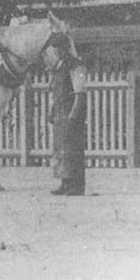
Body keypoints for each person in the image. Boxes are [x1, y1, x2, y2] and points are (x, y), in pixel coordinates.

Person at [49, 48, 88, 196]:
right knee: (61, 149)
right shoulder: (57, 68)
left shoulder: (76, 66)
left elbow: (80, 93)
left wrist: (73, 114)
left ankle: (77, 185)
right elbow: (54, 92)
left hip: (71, 111)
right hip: (60, 112)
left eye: (51, 51)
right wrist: (51, 110)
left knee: (73, 149)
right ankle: (65, 182)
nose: (48, 55)